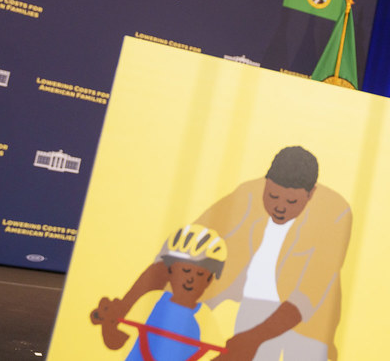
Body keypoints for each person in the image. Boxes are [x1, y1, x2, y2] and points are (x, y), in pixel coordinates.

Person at [92, 146, 352, 361]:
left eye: (292, 202)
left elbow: (307, 296)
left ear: (312, 194)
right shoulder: (246, 195)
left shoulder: (336, 213)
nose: (280, 208)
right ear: (265, 183)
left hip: (307, 323)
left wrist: (253, 339)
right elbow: (182, 252)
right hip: (253, 307)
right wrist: (123, 306)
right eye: (272, 196)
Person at [92, 224, 228, 361]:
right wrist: (108, 325)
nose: (191, 279)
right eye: (185, 271)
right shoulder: (151, 301)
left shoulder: (204, 317)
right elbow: (117, 341)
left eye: (200, 274)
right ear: (170, 270)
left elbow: (218, 355)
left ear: (209, 279)